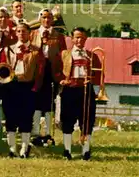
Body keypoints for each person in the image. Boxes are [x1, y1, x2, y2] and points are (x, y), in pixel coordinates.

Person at [0, 23, 44, 158]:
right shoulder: (8, 49)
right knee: (10, 118)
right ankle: (12, 148)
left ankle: (24, 149)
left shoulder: (36, 51)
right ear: (16, 33)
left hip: (27, 87)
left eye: (24, 31)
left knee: (26, 118)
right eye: (18, 31)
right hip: (11, 87)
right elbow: (1, 68)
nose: (21, 33)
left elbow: (40, 71)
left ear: (29, 33)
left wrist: (35, 87)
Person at [59, 27, 102, 161]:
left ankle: (86, 151)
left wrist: (92, 79)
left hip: (86, 91)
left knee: (87, 121)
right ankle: (67, 150)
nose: (79, 40)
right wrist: (61, 80)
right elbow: (57, 70)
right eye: (77, 37)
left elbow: (99, 74)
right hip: (69, 90)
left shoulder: (92, 55)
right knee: (67, 120)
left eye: (82, 38)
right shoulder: (64, 54)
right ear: (72, 39)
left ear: (86, 39)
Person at [30, 9, 66, 146]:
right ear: (40, 19)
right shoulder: (33, 34)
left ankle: (48, 133)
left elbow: (64, 57)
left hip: (51, 72)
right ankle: (35, 132)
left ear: (52, 20)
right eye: (44, 17)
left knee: (50, 103)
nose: (46, 20)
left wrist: (62, 75)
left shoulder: (58, 36)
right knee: (36, 103)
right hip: (36, 73)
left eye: (49, 17)